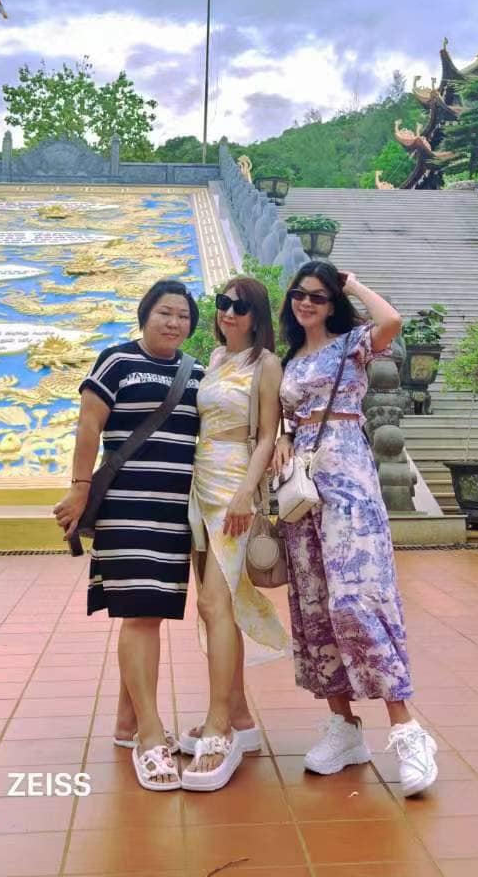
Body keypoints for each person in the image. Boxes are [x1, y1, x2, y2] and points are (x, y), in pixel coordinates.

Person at [272, 261, 439, 798]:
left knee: (356, 597)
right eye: (300, 294)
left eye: (319, 296)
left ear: (333, 303)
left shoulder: (351, 345)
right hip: (302, 483)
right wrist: (283, 436)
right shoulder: (288, 359)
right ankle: (343, 727)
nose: (307, 303)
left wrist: (352, 283)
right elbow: (285, 416)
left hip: (347, 472)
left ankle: (407, 730)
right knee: (315, 603)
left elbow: (392, 321)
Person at [53, 278, 203, 793]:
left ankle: (126, 723)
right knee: (139, 614)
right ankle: (150, 735)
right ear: (145, 315)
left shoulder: (197, 373)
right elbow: (88, 427)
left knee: (150, 613)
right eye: (165, 312)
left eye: (183, 316)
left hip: (174, 514)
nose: (173, 322)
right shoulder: (117, 361)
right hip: (126, 509)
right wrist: (79, 488)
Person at [180, 276, 288, 792]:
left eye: (240, 307)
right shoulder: (216, 358)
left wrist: (247, 492)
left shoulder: (265, 364)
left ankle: (219, 726)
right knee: (213, 606)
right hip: (199, 486)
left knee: (213, 601)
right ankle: (240, 717)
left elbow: (267, 434)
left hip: (233, 489)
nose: (228, 313)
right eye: (223, 304)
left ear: (257, 315)